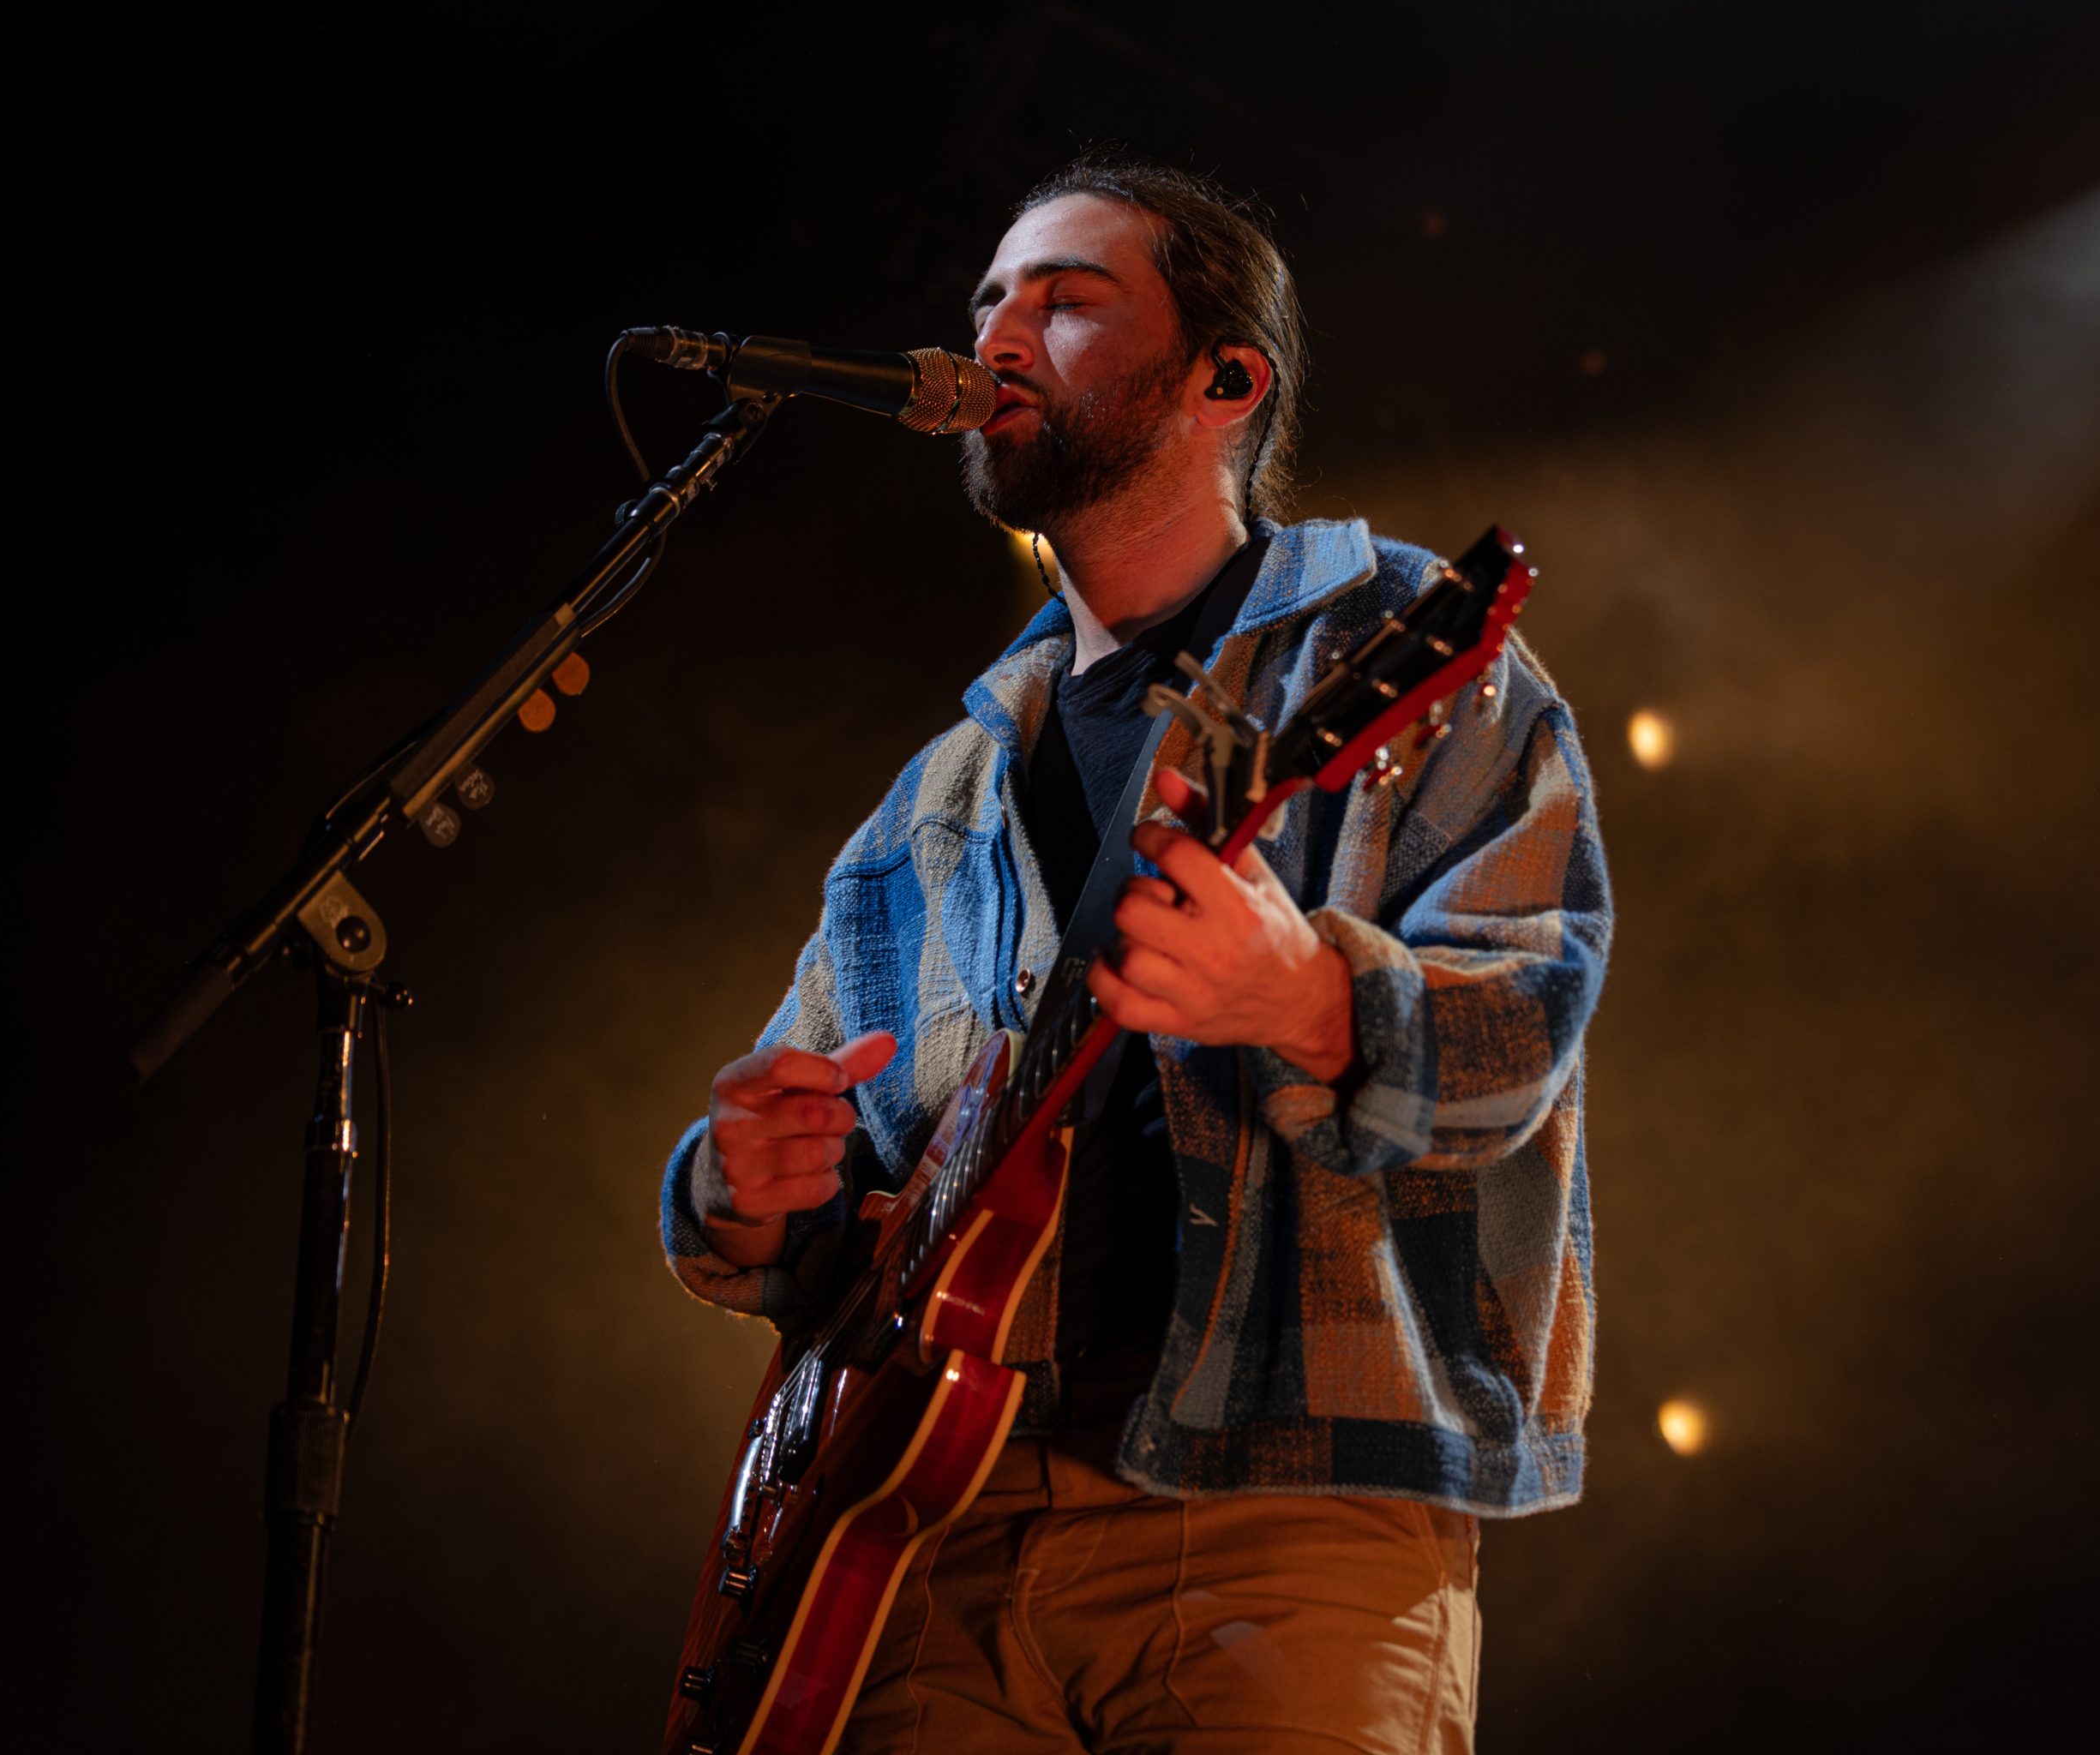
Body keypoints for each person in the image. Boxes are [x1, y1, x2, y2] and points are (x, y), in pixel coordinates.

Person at [659, 153, 1611, 1755]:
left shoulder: (1403, 653)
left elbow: (1529, 1017)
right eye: (987, 299)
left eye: (1066, 298)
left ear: (1224, 380)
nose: (999, 330)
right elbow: (798, 1176)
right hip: (923, 1536)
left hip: (1289, 1509)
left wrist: (1310, 998)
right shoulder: (938, 796)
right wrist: (738, 1183)